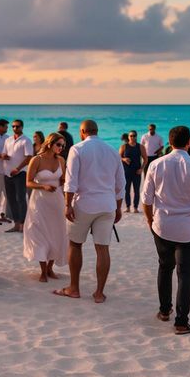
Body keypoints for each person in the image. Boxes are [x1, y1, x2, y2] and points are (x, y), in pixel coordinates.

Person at [142, 126, 190, 335]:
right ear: (188, 142)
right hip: (188, 229)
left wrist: (149, 220)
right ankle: (181, 322)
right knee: (185, 274)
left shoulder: (155, 164)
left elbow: (146, 200)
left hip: (162, 225)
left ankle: (164, 311)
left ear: (170, 142)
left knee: (165, 267)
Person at [57, 119, 124, 302]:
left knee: (75, 244)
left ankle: (74, 288)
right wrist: (118, 208)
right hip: (107, 205)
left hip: (84, 204)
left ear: (82, 131)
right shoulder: (112, 150)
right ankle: (99, 293)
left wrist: (67, 204)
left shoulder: (77, 149)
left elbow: (71, 181)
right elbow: (120, 184)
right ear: (96, 131)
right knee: (103, 249)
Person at [23, 131, 67, 282]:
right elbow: (28, 182)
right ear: (50, 143)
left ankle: (50, 268)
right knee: (40, 233)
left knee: (57, 233)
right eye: (59, 144)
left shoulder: (61, 160)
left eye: (63, 145)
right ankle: (43, 270)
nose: (61, 148)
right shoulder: (36, 160)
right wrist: (43, 186)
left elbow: (63, 179)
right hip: (40, 202)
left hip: (57, 201)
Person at [2, 119, 34, 233]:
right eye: (13, 126)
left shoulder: (26, 140)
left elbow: (29, 157)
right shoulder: (8, 140)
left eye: (17, 126)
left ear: (22, 127)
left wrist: (18, 169)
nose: (15, 128)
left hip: (20, 173)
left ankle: (23, 225)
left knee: (20, 199)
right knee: (11, 200)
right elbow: (3, 153)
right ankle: (16, 224)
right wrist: (4, 156)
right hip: (7, 173)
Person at [119, 130, 143, 213]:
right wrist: (124, 159)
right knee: (127, 190)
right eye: (131, 136)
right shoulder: (124, 147)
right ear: (128, 137)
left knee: (137, 190)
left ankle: (136, 207)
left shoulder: (140, 146)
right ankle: (128, 207)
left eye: (134, 135)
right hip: (126, 172)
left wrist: (141, 169)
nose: (132, 137)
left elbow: (146, 159)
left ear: (136, 136)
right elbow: (118, 158)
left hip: (137, 172)